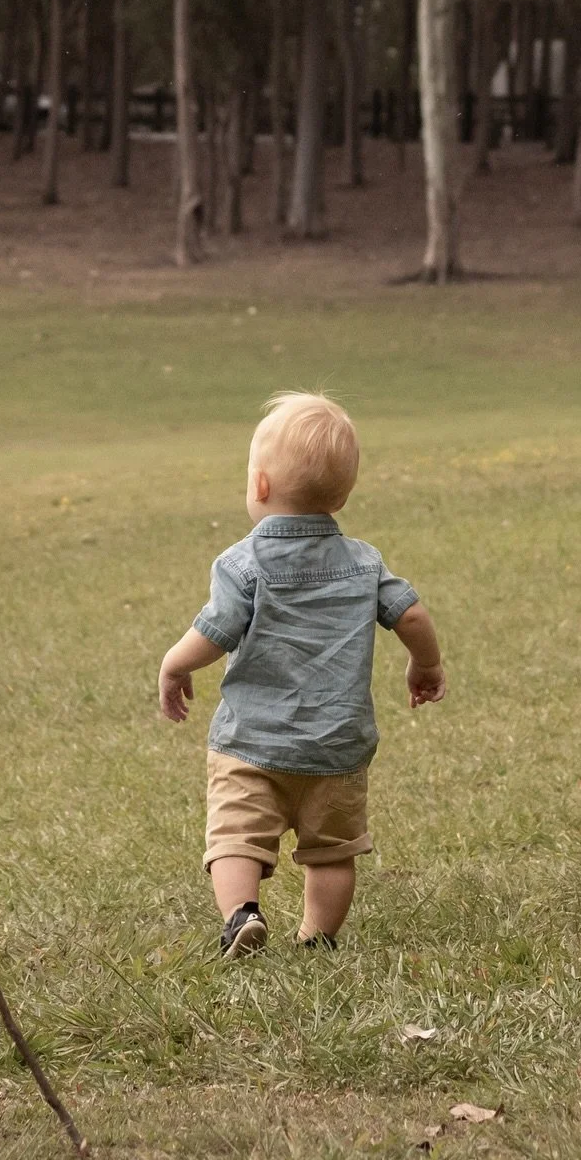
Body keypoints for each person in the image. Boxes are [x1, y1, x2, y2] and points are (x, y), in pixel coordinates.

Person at [158, 391, 446, 956]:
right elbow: (410, 614)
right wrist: (425, 663)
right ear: (342, 492)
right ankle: (319, 937)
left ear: (260, 486)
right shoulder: (364, 561)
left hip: (252, 741)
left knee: (236, 836)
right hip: (337, 745)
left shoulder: (245, 563)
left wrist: (174, 663)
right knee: (332, 850)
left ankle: (241, 914)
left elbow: (215, 632)